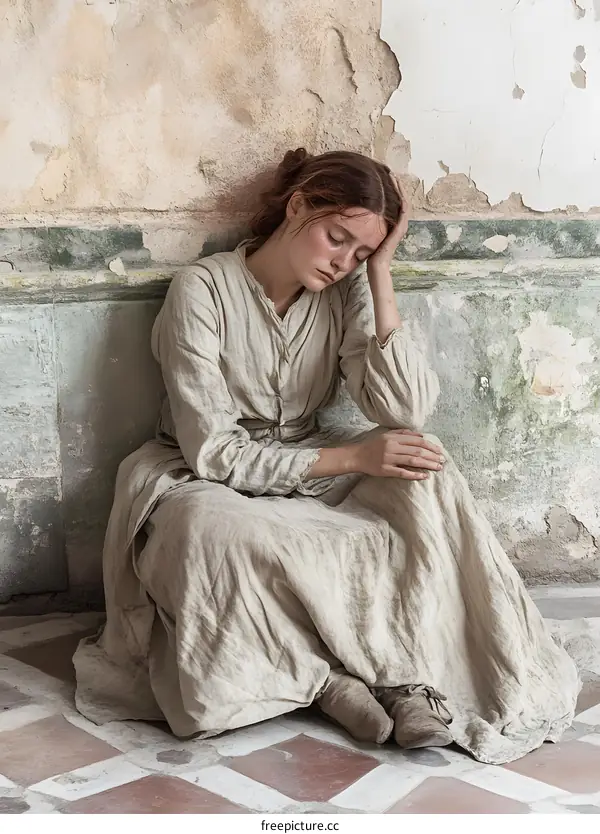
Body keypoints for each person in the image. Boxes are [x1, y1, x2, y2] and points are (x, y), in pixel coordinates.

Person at [74, 148, 580, 765]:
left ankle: (402, 674)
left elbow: (406, 408)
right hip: (198, 472)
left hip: (310, 461)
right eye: (336, 238)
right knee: (211, 529)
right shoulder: (201, 289)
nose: (343, 262)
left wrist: (381, 273)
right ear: (298, 207)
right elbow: (213, 450)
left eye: (360, 252)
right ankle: (329, 683)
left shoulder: (346, 292)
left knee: (428, 468)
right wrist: (354, 460)